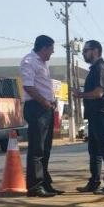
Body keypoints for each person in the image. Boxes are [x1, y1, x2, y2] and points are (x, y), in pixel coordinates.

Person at [73, 40, 104, 195]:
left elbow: (98, 93)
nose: (83, 53)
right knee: (94, 151)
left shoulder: (101, 68)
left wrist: (80, 95)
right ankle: (94, 182)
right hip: (95, 116)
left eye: (86, 50)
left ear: (96, 51)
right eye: (84, 50)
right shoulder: (94, 69)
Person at [20, 35, 62, 197]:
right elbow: (28, 85)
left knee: (46, 148)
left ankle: (45, 182)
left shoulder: (43, 63)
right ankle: (35, 186)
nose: (52, 52)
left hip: (46, 107)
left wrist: (50, 102)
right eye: (51, 49)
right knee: (37, 149)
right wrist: (44, 101)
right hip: (36, 107)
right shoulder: (29, 61)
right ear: (44, 48)